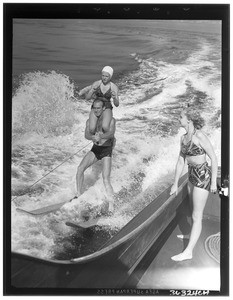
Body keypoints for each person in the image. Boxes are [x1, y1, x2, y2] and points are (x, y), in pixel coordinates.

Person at [170, 108, 218, 261]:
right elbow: (180, 161)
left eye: (181, 117)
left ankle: (188, 251)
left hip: (202, 176)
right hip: (191, 175)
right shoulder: (183, 138)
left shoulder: (199, 136)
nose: (179, 119)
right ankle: (191, 234)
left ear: (189, 120)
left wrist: (213, 183)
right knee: (192, 209)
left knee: (197, 215)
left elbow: (214, 159)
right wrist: (175, 183)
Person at [75, 97, 116, 213]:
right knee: (80, 169)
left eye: (99, 108)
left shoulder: (111, 120)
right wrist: (92, 137)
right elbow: (86, 134)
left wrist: (101, 136)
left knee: (106, 178)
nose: (96, 110)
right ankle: (79, 195)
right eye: (94, 108)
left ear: (103, 109)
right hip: (95, 149)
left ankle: (111, 205)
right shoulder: (90, 121)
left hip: (106, 150)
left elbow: (111, 133)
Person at [80, 66, 119, 134]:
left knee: (105, 127)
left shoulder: (114, 87)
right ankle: (97, 139)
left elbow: (117, 104)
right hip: (96, 106)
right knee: (91, 129)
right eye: (103, 75)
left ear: (110, 77)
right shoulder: (97, 84)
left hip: (107, 107)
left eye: (106, 76)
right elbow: (87, 98)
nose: (104, 78)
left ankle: (110, 137)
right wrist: (91, 91)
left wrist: (114, 98)